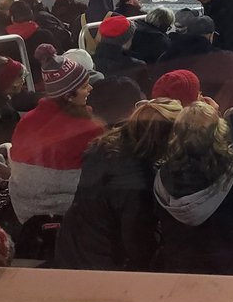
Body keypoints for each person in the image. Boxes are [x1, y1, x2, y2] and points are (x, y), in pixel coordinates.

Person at [55, 97, 182, 271]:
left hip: (71, 249)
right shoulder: (136, 183)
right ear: (164, 139)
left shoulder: (104, 149)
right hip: (102, 267)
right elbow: (137, 246)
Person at [153, 101, 233, 274]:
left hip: (177, 263)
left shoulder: (161, 173)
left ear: (178, 132)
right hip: (228, 263)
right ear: (219, 130)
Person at [7, 46, 105, 225]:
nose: (90, 88)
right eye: (84, 86)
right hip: (66, 214)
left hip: (23, 211)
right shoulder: (87, 129)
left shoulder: (27, 120)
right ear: (68, 95)